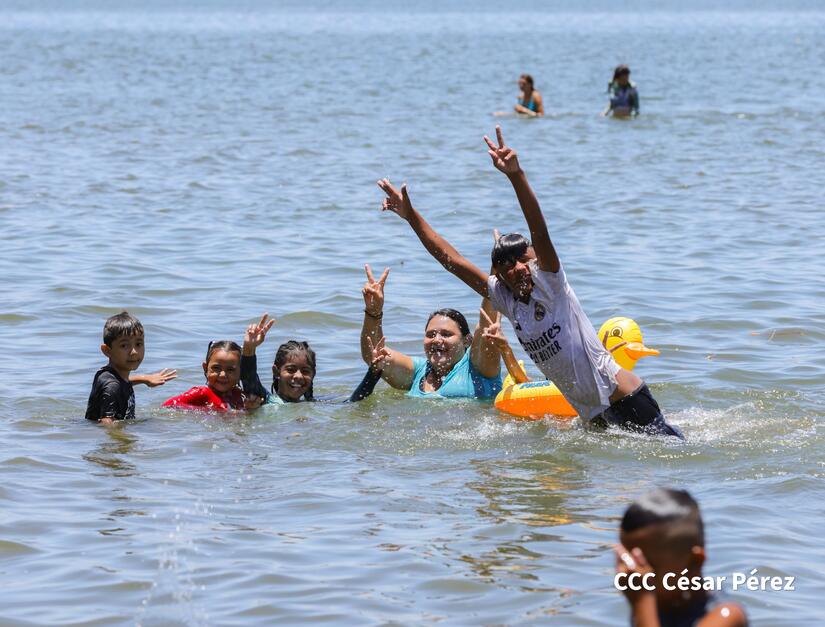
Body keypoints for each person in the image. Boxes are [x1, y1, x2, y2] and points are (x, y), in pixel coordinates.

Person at [376, 126, 682, 437]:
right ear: (499, 275)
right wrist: (411, 216)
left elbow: (539, 228)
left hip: (625, 398)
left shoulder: (551, 284)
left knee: (668, 454)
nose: (520, 268)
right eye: (508, 265)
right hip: (592, 414)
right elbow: (452, 261)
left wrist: (515, 175)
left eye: (525, 258)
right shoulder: (505, 299)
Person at [359, 265, 502, 399]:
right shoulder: (417, 372)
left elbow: (486, 325)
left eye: (446, 334)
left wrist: (497, 267)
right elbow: (373, 355)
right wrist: (373, 312)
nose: (437, 340)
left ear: (467, 340)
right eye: (430, 335)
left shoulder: (478, 368)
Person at [615, 488, 748, 627]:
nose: (633, 575)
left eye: (645, 565)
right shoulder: (652, 602)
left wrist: (642, 602)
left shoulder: (727, 616)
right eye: (628, 563)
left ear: (694, 563)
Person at [240, 313, 381, 404]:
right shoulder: (266, 400)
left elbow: (352, 402)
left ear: (314, 374)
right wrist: (249, 348)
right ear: (276, 371)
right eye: (291, 369)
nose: (298, 376)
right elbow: (248, 378)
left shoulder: (313, 405)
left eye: (306, 371)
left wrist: (373, 373)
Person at [86, 311, 177, 424]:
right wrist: (124, 435)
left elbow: (122, 382)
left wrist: (145, 379)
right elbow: (106, 423)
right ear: (107, 351)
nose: (134, 352)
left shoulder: (110, 375)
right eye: (124, 345)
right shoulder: (112, 386)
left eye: (138, 344)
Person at [163, 340, 249, 411]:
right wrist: (202, 411)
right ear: (205, 368)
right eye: (216, 368)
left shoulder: (239, 394)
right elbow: (167, 406)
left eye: (230, 370)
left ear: (241, 372)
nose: (222, 375)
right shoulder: (201, 393)